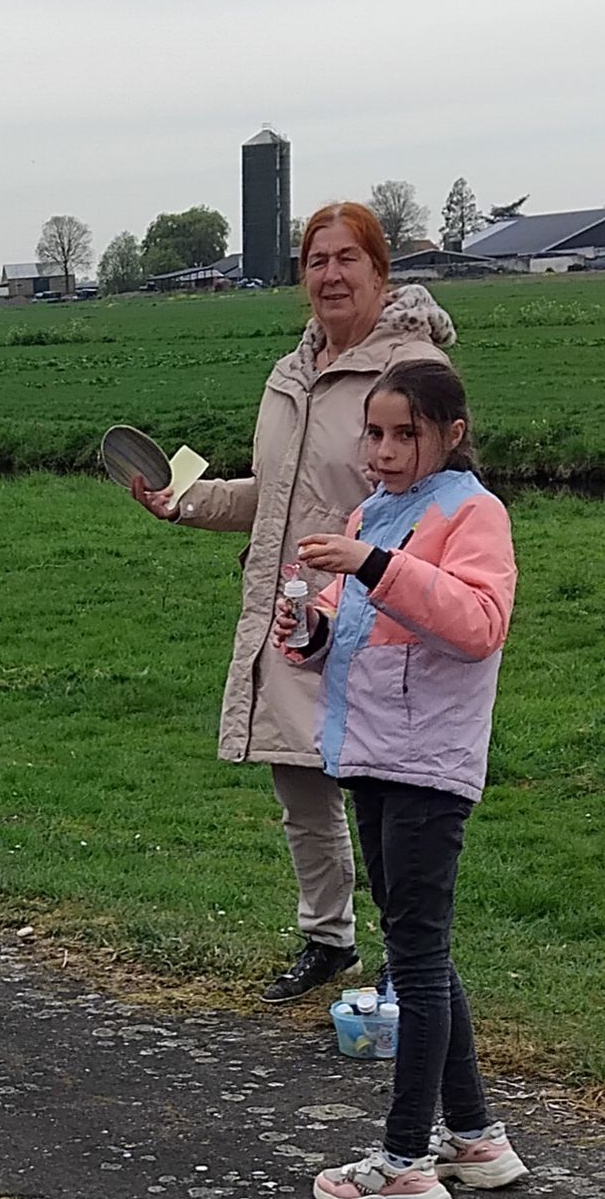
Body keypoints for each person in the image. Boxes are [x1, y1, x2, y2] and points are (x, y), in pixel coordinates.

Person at [133, 204, 461, 1002]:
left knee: (386, 797)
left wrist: (383, 582)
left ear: (380, 272)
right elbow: (276, 494)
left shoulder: (410, 373)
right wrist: (189, 501)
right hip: (293, 613)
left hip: (375, 616)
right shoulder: (291, 372)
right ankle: (329, 939)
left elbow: (435, 504)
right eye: (317, 261)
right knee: (301, 790)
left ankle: (404, 961)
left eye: (349, 259)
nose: (332, 275)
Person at [275, 354, 526, 1199]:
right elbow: (355, 637)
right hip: (371, 755)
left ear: (451, 435)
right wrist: (308, 628)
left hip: (427, 763)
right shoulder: (373, 513)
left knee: (413, 964)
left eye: (404, 434)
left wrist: (372, 564)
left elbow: (478, 625)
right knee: (420, 950)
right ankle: (476, 1138)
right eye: (374, 433)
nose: (383, 450)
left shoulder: (473, 513)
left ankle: (405, 1162)